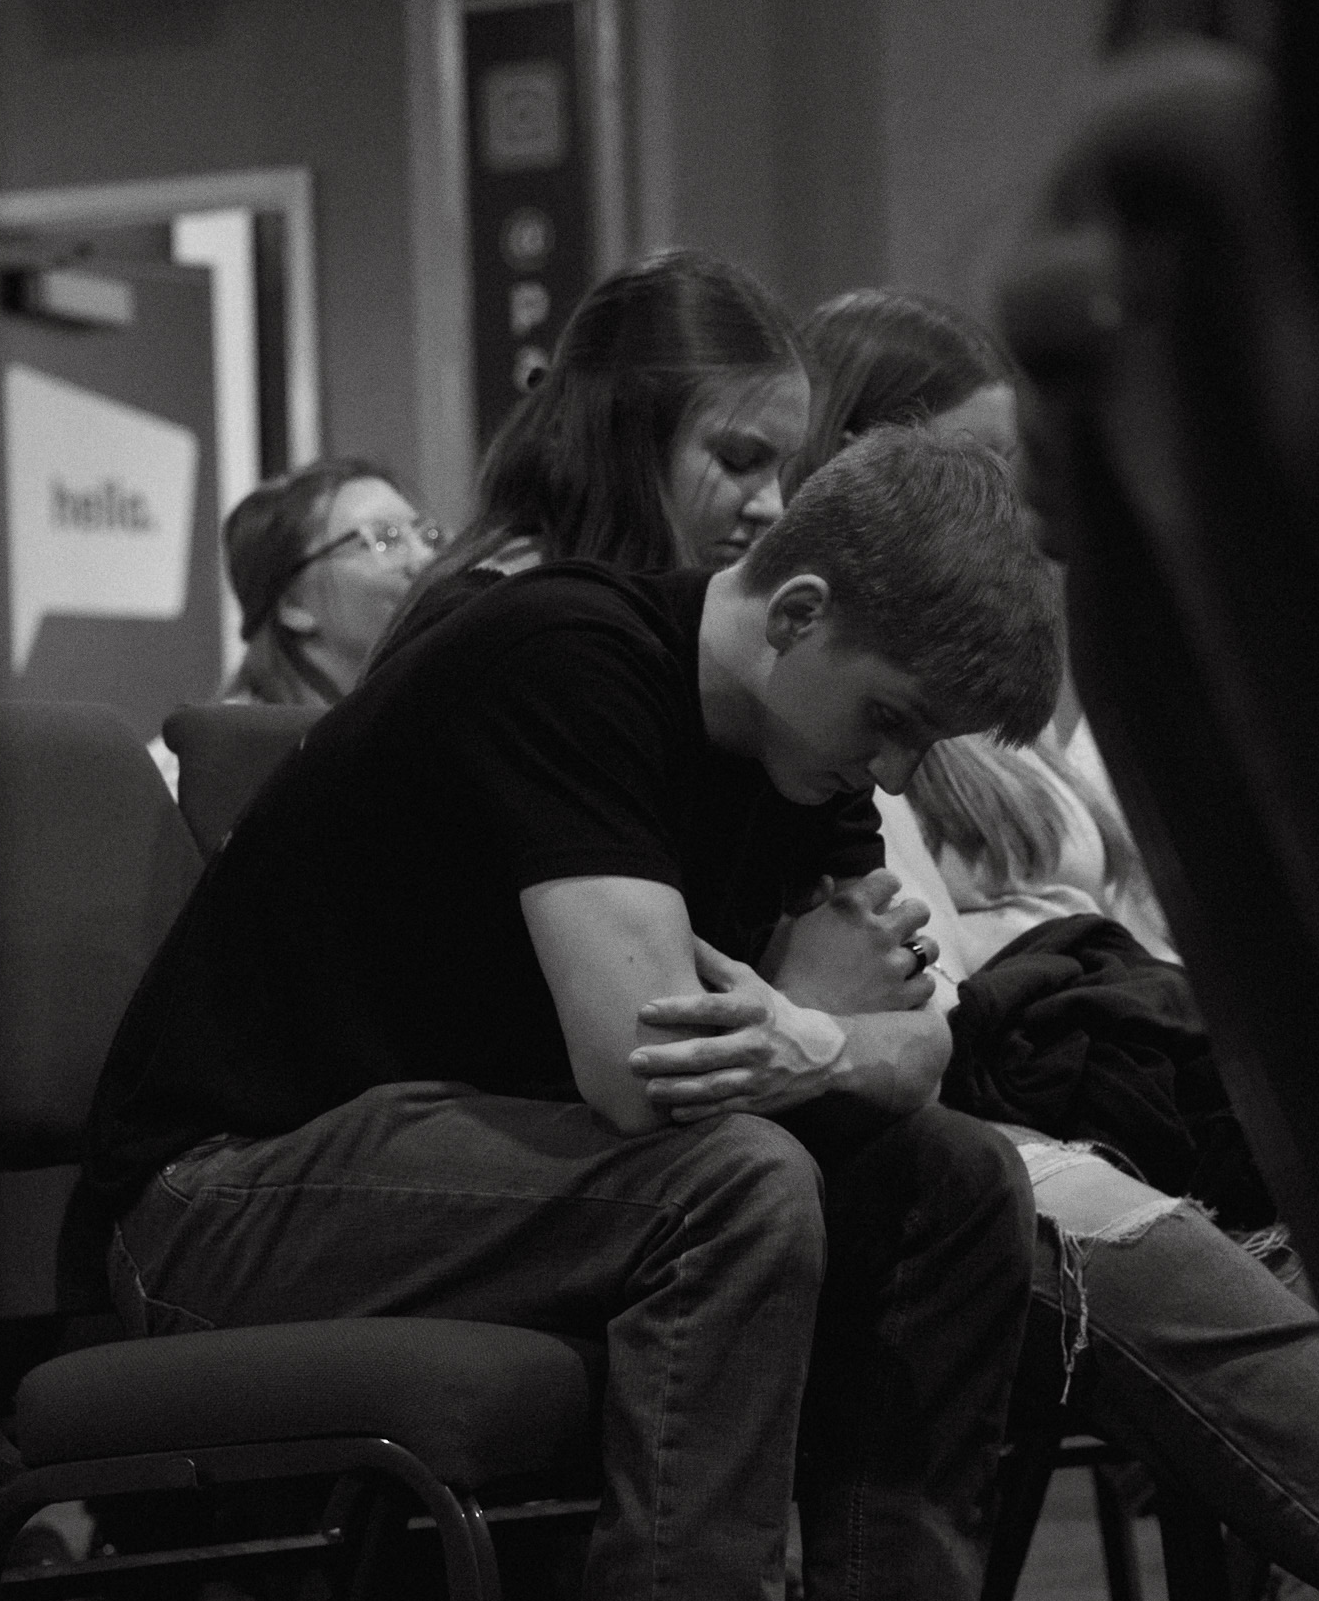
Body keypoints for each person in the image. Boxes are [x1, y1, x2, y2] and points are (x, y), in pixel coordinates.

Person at [84, 424, 1062, 1601]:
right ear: (797, 614)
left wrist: (811, 1035)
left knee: (950, 1181)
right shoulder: (565, 653)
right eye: (890, 721)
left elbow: (920, 1051)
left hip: (468, 1169)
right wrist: (821, 1027)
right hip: (218, 1198)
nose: (900, 774)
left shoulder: (806, 751)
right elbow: (644, 1070)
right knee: (735, 1183)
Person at [794, 284, 1319, 1587]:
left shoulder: (978, 705)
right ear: (863, 449)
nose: (1006, 502)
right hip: (1029, 1088)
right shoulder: (840, 707)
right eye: (971, 461)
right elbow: (917, 989)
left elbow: (1142, 920)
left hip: (1121, 1045)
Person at [368, 247, 812, 673]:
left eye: (783, 470)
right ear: (626, 439)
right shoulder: (510, 627)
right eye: (739, 459)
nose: (774, 507)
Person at [149, 458, 442, 794]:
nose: (425, 558)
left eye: (426, 534)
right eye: (383, 539)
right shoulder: (199, 770)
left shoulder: (434, 729)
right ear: (294, 605)